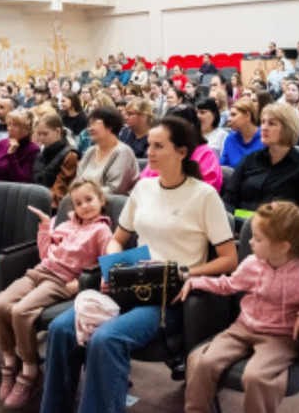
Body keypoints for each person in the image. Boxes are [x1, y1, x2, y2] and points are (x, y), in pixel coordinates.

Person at [39, 116, 239, 413]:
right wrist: (113, 266)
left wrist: (185, 272)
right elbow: (118, 238)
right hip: (132, 281)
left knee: (106, 340)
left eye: (159, 146)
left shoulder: (204, 195)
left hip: (169, 294)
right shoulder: (143, 190)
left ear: (182, 152)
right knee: (60, 329)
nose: (150, 152)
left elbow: (229, 259)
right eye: (150, 145)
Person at [180, 201, 299, 413]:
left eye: (258, 239)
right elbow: (229, 285)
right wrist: (196, 281)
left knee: (256, 377)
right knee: (203, 362)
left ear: (283, 246)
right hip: (243, 329)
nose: (250, 242)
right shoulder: (252, 263)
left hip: (280, 337)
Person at [0, 179, 113, 409]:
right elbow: (46, 254)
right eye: (78, 203)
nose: (84, 206)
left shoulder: (102, 230)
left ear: (101, 200)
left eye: (89, 200)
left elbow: (108, 263)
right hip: (40, 271)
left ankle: (30, 370)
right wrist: (46, 227)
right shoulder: (66, 224)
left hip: (61, 281)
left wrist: (79, 283)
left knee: (20, 310)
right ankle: (9, 360)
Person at [222, 104, 299, 217]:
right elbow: (229, 198)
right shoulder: (249, 160)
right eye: (263, 122)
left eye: (271, 123)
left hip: (279, 229)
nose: (264, 128)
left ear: (287, 128)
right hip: (240, 224)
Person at [139, 108, 223, 193]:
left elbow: (205, 193)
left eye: (158, 146)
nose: (149, 152)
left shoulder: (205, 154)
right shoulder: (159, 156)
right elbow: (143, 187)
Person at [75, 107, 139, 196]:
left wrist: (84, 194)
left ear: (110, 126)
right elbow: (78, 181)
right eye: (89, 124)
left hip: (111, 206)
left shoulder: (123, 152)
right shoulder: (90, 151)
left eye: (94, 123)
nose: (90, 128)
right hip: (86, 202)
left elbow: (115, 190)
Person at [33, 113, 80, 211]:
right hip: (36, 199)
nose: (41, 138)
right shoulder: (39, 154)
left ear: (58, 131)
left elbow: (60, 190)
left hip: (53, 208)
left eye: (45, 134)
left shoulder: (70, 156)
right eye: (39, 134)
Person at [0, 108, 40, 184]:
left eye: (15, 125)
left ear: (27, 129)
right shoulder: (2, 143)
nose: (10, 128)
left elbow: (23, 180)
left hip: (9, 192)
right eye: (9, 124)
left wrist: (12, 155)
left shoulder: (32, 149)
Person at [220, 99, 263, 168]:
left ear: (247, 116)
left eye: (233, 115)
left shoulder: (265, 137)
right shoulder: (230, 139)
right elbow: (224, 169)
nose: (229, 119)